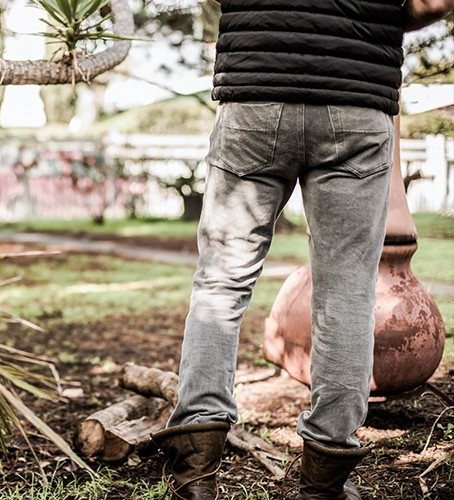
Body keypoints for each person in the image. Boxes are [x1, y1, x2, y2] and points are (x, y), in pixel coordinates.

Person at [150, 1, 454, 499]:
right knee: (347, 293)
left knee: (221, 284)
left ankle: (196, 471)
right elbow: (434, 2)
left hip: (255, 94)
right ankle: (323, 480)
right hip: (356, 99)